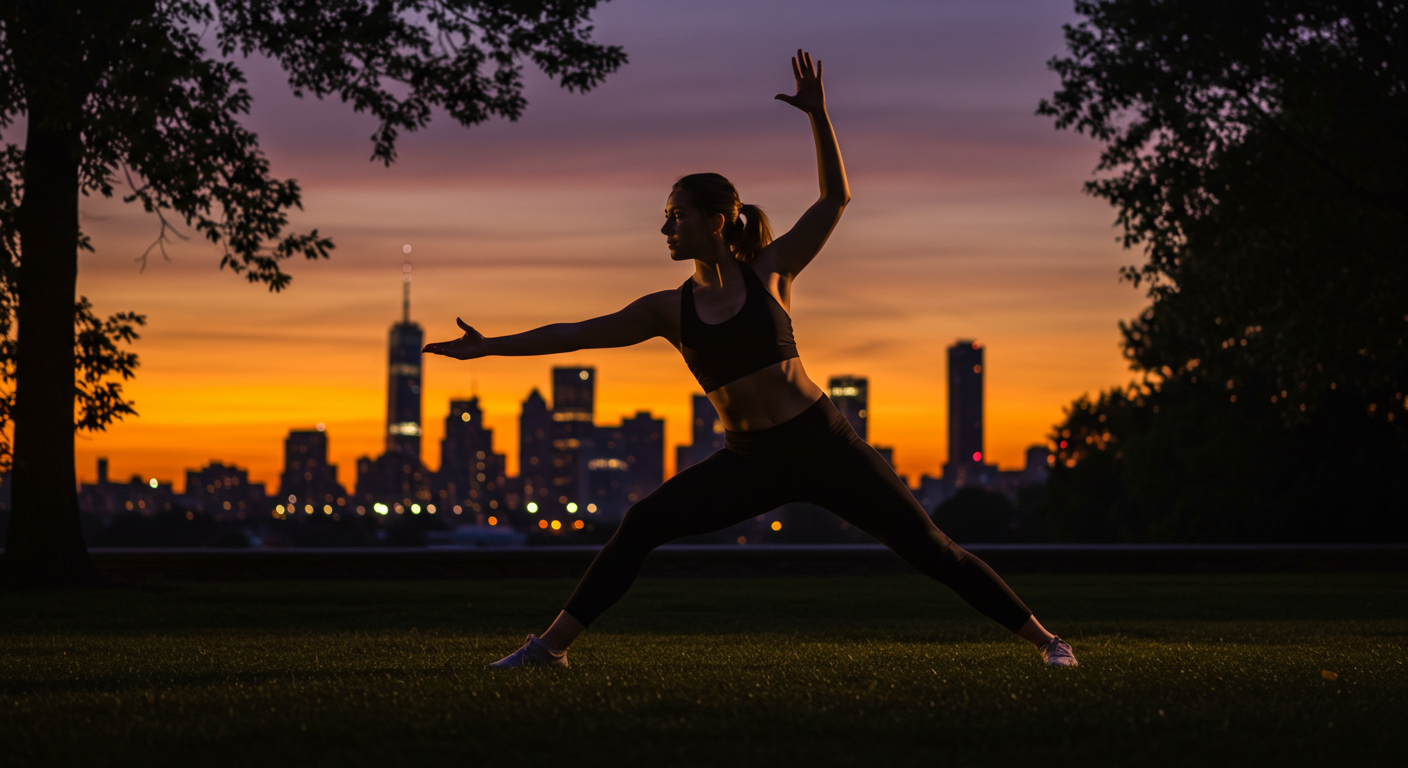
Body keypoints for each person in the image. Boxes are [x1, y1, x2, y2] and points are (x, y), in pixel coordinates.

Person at [424, 50, 1078, 669]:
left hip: (824, 443)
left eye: (676, 216)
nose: (665, 229)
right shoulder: (666, 310)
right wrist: (489, 346)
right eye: (665, 217)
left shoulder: (771, 272)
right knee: (643, 523)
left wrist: (819, 116)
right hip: (750, 461)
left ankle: (1049, 641)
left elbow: (834, 201)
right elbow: (576, 334)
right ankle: (550, 649)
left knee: (930, 549)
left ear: (717, 220)